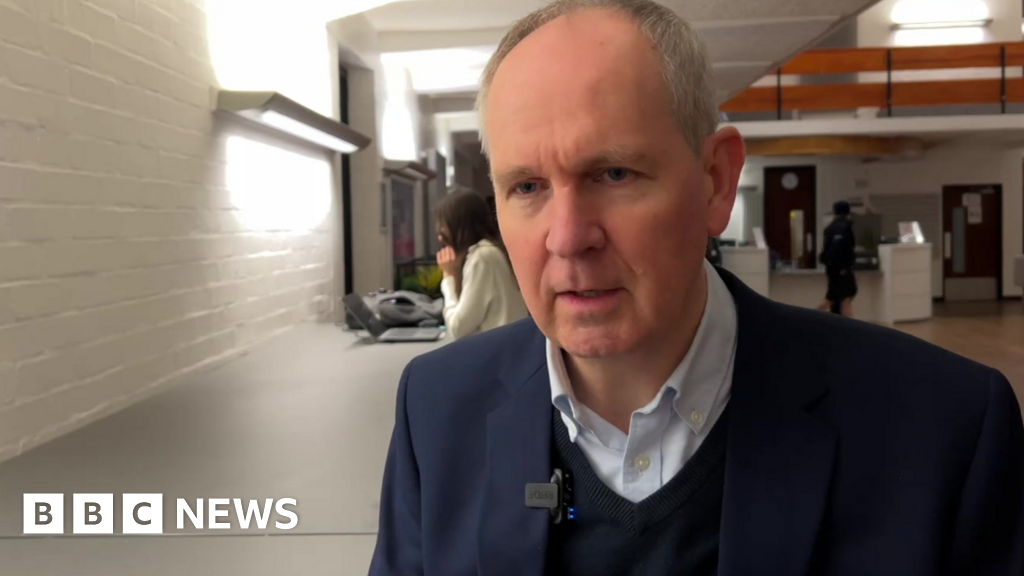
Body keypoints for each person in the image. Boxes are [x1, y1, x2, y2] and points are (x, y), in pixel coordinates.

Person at [370, 1, 1024, 574]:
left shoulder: (942, 431)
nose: (567, 238)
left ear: (715, 181)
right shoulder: (437, 411)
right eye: (527, 186)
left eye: (614, 173)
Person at [434, 190, 527, 340]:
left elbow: (458, 328)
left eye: (444, 226)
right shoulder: (492, 251)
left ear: (460, 225)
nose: (440, 236)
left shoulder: (482, 258)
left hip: (499, 349)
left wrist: (448, 279)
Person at [818, 200, 857, 316]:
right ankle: (847, 325)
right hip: (844, 269)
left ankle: (819, 318)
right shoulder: (848, 227)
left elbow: (826, 249)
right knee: (846, 298)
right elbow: (848, 249)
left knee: (832, 299)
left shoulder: (829, 228)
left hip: (831, 269)